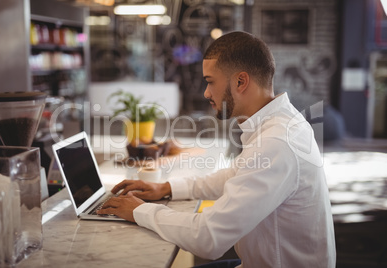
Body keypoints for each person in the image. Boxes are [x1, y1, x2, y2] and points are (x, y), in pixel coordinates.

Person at [97, 31, 336, 268]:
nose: (206, 92)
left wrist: (140, 211)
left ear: (241, 81)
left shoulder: (277, 142)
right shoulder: (280, 122)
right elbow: (236, 175)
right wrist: (166, 187)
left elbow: (208, 238)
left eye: (210, 81)